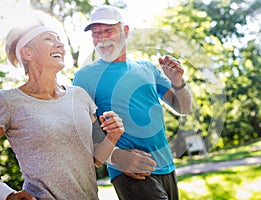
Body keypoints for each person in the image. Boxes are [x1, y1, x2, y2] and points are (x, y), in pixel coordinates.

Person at [73, 5, 192, 200]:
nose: (102, 39)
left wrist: (178, 82)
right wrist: (118, 158)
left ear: (125, 31)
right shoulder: (85, 76)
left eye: (108, 31)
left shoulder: (147, 68)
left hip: (166, 166)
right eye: (96, 34)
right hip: (130, 171)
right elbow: (83, 130)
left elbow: (184, 108)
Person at [0, 18, 125, 200]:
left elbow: (96, 158)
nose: (60, 45)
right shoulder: (8, 101)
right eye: (49, 39)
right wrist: (7, 195)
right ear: (27, 53)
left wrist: (112, 136)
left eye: (59, 39)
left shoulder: (79, 96)